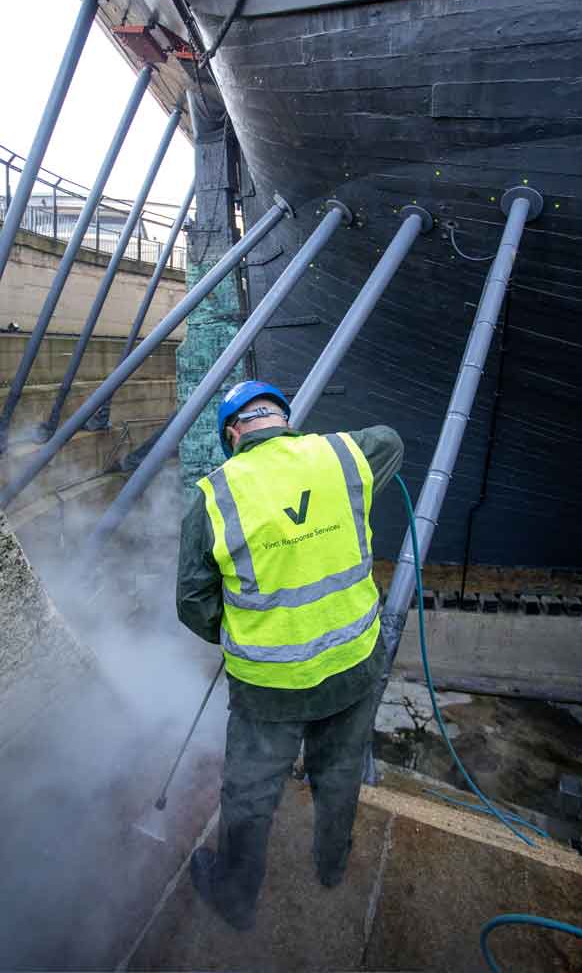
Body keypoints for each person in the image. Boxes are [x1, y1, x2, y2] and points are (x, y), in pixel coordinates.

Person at [175, 378, 403, 930]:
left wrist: (237, 630)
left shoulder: (212, 497)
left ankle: (235, 899)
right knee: (340, 770)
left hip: (267, 688)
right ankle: (331, 866)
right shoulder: (344, 455)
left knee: (250, 792)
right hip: (353, 667)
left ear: (234, 434)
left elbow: (192, 603)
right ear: (282, 417)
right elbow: (391, 440)